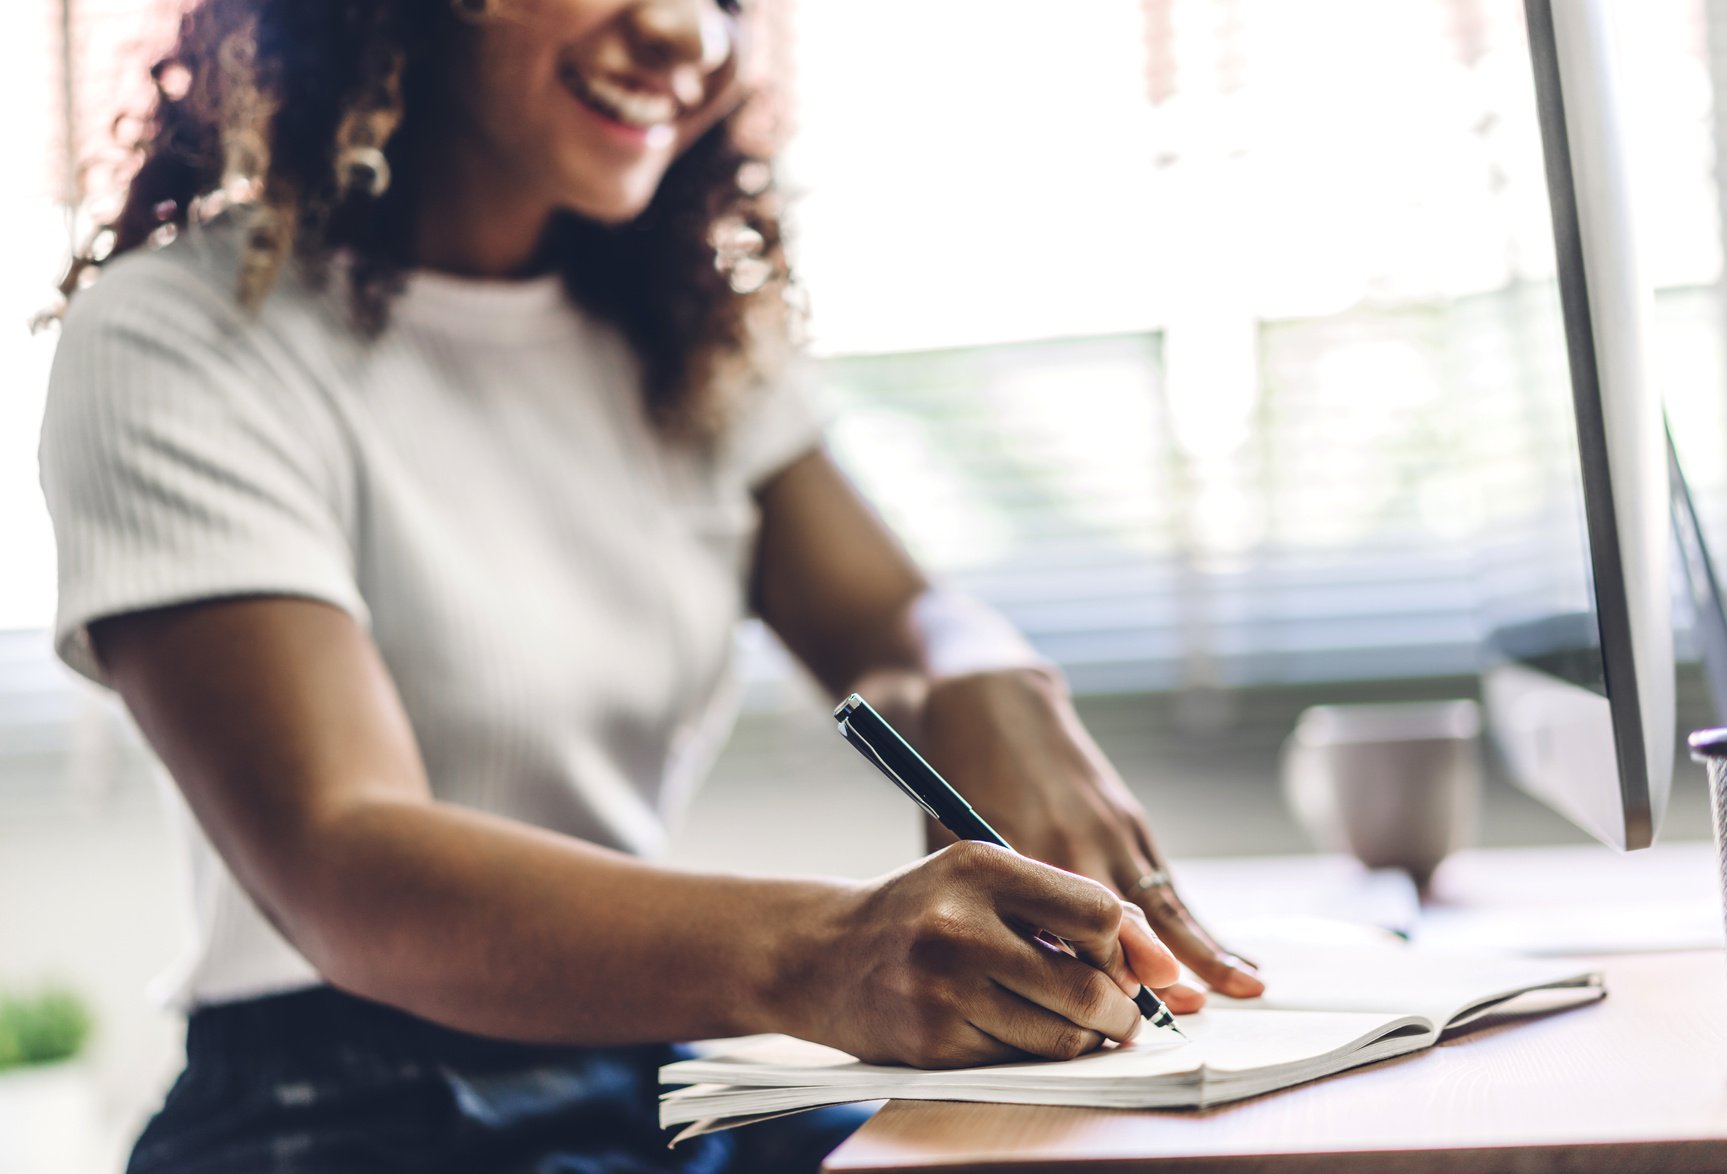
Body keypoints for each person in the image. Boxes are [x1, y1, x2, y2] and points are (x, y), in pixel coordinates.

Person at [38, 0, 1266, 1170]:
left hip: (645, 1074)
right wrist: (824, 949)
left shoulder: (677, 335)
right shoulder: (182, 333)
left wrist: (982, 674)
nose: (689, 30)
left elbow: (892, 620)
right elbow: (343, 855)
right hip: (334, 1110)